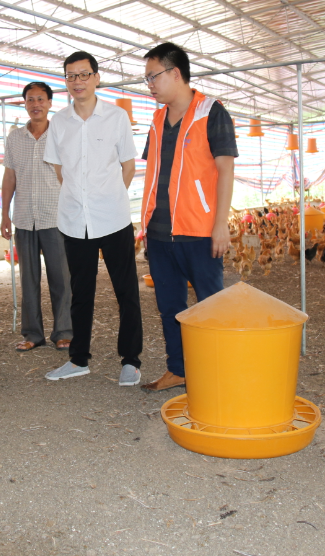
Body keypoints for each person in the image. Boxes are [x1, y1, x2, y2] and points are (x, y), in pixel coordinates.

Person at [137, 43, 237, 392]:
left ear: (175, 73)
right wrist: (145, 224)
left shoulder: (212, 112)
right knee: (170, 307)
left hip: (199, 231)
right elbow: (155, 175)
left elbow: (226, 170)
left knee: (211, 305)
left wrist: (220, 224)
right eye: (147, 78)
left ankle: (216, 374)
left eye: (153, 76)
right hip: (160, 232)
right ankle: (178, 369)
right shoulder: (157, 120)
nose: (149, 84)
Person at [43, 51, 143, 386]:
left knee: (126, 291)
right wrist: (81, 198)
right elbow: (60, 169)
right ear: (66, 81)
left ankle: (130, 360)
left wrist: (109, 196)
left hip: (113, 218)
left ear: (97, 78)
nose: (78, 81)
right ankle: (78, 359)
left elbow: (128, 165)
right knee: (81, 292)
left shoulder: (116, 117)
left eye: (84, 74)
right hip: (74, 220)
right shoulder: (59, 122)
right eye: (71, 76)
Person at [1, 82, 73, 353]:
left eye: (41, 99)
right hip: (23, 217)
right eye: (30, 100)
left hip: (55, 217)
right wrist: (4, 214)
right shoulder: (14, 138)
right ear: (25, 104)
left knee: (61, 278)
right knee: (28, 280)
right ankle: (33, 334)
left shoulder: (61, 135)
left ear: (50, 103)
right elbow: (9, 177)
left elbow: (71, 176)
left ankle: (64, 332)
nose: (35, 105)